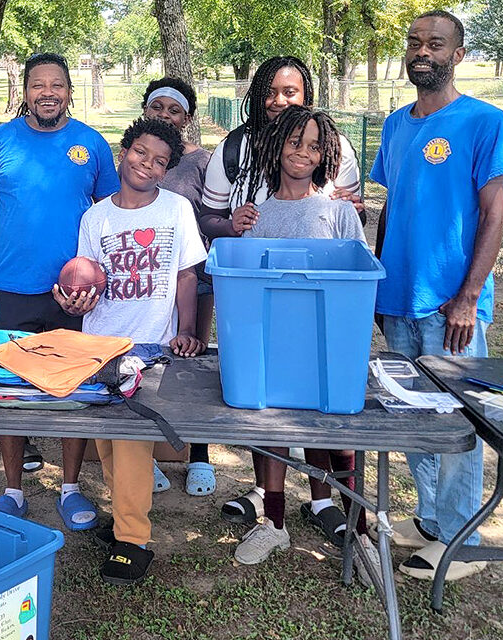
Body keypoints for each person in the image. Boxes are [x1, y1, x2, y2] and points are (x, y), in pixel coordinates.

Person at [371, 10, 503, 581]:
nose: (422, 52)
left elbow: (494, 214)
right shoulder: (395, 125)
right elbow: (393, 207)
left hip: (450, 306)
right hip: (398, 299)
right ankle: (433, 518)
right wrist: (378, 287)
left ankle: (463, 538)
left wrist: (468, 296)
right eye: (414, 42)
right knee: (414, 414)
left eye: (435, 44)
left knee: (459, 422)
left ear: (457, 55)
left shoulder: (486, 122)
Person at [198, 56, 363, 528]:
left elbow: (353, 247)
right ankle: (271, 511)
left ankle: (333, 505)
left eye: (290, 92)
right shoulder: (239, 157)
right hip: (270, 329)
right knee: (270, 412)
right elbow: (214, 224)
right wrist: (234, 225)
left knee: (327, 416)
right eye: (270, 91)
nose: (278, 100)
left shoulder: (335, 176)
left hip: (322, 327)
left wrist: (348, 208)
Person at [0, 53, 120, 527]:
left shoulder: (91, 144)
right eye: (38, 85)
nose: (47, 93)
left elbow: (111, 215)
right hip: (9, 289)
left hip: (72, 295)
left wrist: (99, 278)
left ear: (69, 91)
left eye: (57, 85)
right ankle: (13, 490)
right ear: (25, 92)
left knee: (74, 390)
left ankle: (70, 488)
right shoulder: (0, 141)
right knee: (9, 390)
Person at [225, 106, 378, 583]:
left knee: (335, 432)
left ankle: (355, 526)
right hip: (272, 347)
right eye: (294, 142)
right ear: (276, 148)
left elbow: (358, 274)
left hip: (326, 345)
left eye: (314, 146)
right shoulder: (259, 214)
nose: (303, 153)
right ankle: (273, 523)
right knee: (272, 427)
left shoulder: (338, 212)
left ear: (325, 155)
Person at [55, 117, 206, 584]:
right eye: (141, 152)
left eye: (160, 161)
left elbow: (186, 274)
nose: (148, 164)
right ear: (124, 152)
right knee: (106, 440)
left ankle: (133, 540)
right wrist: (74, 301)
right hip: (100, 342)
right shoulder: (96, 217)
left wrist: (186, 329)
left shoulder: (177, 209)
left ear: (167, 170)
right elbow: (86, 277)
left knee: (131, 443)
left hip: (149, 345)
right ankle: (123, 517)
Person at [140, 77, 216, 497]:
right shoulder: (135, 156)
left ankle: (199, 454)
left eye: (175, 110)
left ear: (187, 118)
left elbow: (215, 214)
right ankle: (146, 453)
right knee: (147, 365)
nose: (165, 115)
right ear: (146, 109)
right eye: (158, 107)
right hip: (144, 279)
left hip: (193, 275)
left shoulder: (203, 161)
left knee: (192, 364)